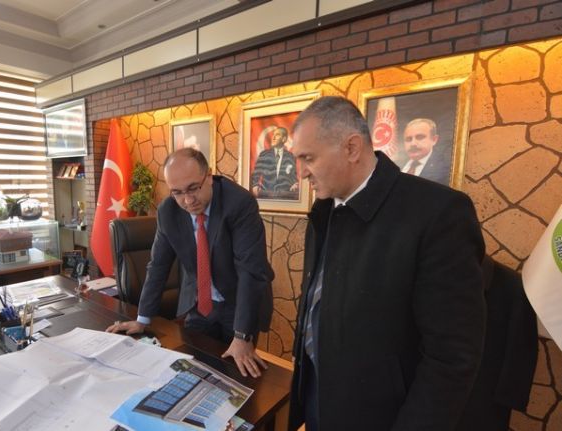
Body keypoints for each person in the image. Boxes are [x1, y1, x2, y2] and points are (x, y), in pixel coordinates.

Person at [288, 97, 485, 430]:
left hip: (382, 416)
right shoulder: (325, 209)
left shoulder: (438, 213)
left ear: (351, 148)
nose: (301, 172)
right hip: (318, 396)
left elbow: (452, 356)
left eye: (308, 158)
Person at [107, 148, 274, 378]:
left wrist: (242, 336)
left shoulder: (239, 203)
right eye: (177, 192)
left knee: (238, 375)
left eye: (193, 188)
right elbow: (158, 266)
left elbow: (250, 271)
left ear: (209, 176)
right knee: (192, 370)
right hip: (199, 303)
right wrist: (142, 319)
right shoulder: (168, 211)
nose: (187, 200)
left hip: (239, 302)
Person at [250, 127, 299, 199]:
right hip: (266, 196)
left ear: (284, 139)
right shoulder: (264, 155)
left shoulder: (290, 156)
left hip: (285, 197)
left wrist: (295, 184)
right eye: (273, 134)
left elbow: (293, 176)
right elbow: (256, 173)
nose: (273, 137)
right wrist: (255, 185)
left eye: (277, 135)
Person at [400, 118, 450, 185]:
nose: (413, 143)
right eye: (408, 139)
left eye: (420, 137)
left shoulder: (445, 170)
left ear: (434, 140)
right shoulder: (398, 164)